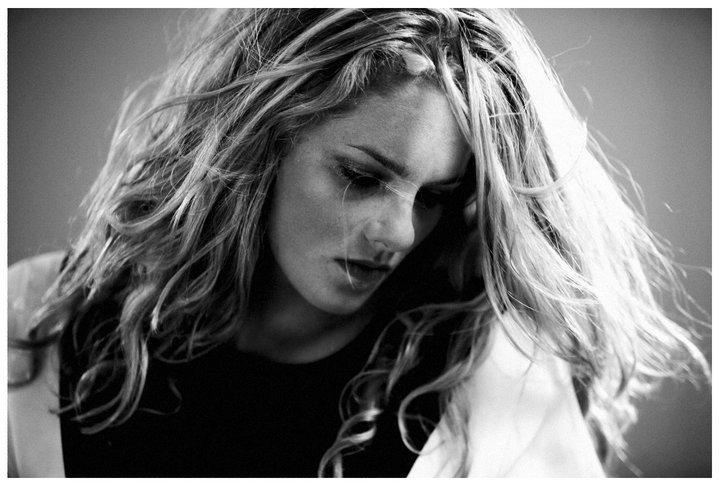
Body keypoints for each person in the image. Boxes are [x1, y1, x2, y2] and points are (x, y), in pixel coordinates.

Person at [7, 8, 709, 477]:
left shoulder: (497, 380)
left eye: (434, 197)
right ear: (257, 143)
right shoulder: (31, 323)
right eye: (362, 177)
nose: (399, 233)